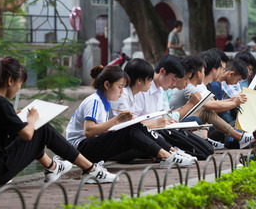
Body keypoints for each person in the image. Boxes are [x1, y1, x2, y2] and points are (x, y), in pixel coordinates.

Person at [0, 56, 111, 186]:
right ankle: (91, 170)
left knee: (29, 128)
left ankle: (52, 167)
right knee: (41, 129)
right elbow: (27, 135)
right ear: (10, 81)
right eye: (19, 84)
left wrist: (14, 117)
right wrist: (32, 119)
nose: (19, 89)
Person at [66, 64, 194, 170]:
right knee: (130, 129)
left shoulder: (105, 101)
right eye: (119, 87)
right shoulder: (94, 101)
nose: (122, 91)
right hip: (80, 149)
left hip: (92, 144)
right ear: (106, 85)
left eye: (123, 87)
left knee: (135, 126)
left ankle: (170, 151)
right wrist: (117, 120)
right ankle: (166, 156)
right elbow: (88, 131)